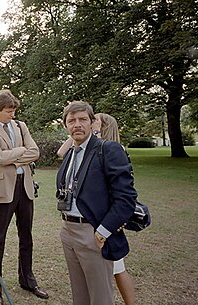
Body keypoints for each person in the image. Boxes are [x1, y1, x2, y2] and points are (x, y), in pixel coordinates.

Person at [55, 101, 137, 305]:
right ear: (65, 125)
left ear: (92, 123)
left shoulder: (108, 149)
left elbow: (126, 198)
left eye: (83, 119)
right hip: (69, 231)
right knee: (80, 295)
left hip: (93, 232)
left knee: (100, 297)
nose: (77, 124)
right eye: (71, 120)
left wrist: (103, 231)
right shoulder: (71, 153)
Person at [0, 89, 48, 305]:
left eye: (13, 111)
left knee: (26, 236)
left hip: (25, 186)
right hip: (2, 189)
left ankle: (28, 280)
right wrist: (20, 153)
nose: (12, 115)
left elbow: (35, 151)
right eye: (8, 111)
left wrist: (13, 157)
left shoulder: (21, 126)